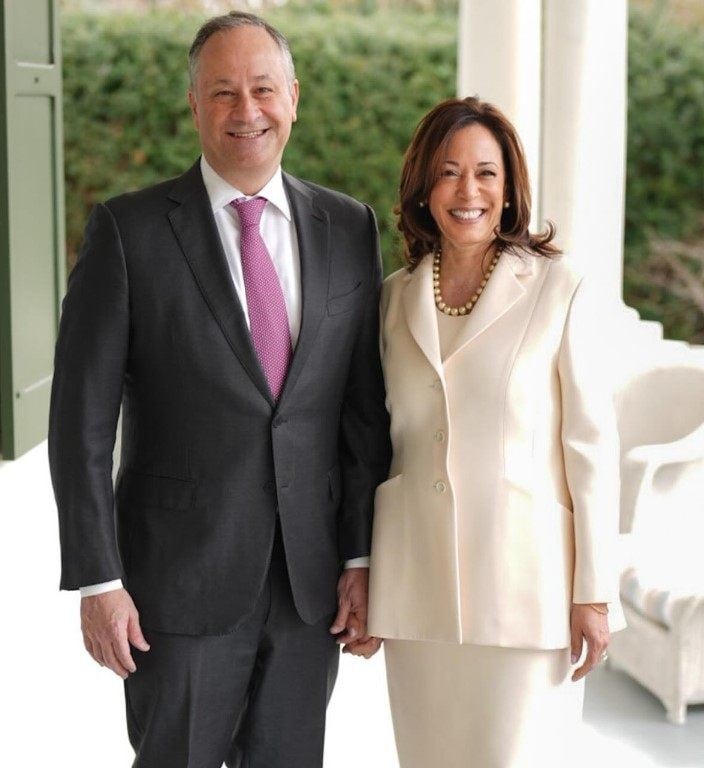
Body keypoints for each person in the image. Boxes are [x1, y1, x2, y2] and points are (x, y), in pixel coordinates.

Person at [49, 11, 390, 768]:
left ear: (293, 98)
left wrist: (364, 560)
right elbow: (81, 423)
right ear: (195, 106)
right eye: (224, 92)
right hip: (177, 583)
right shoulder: (127, 233)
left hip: (310, 586)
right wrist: (98, 579)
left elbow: (363, 417)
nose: (248, 111)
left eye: (263, 89)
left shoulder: (349, 227)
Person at [353, 97, 626, 766]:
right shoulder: (391, 299)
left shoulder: (559, 288)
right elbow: (369, 446)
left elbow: (590, 447)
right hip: (415, 590)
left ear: (509, 191)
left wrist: (595, 591)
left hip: (525, 592)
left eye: (486, 173)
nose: (467, 191)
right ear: (422, 190)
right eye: (447, 173)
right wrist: (357, 570)